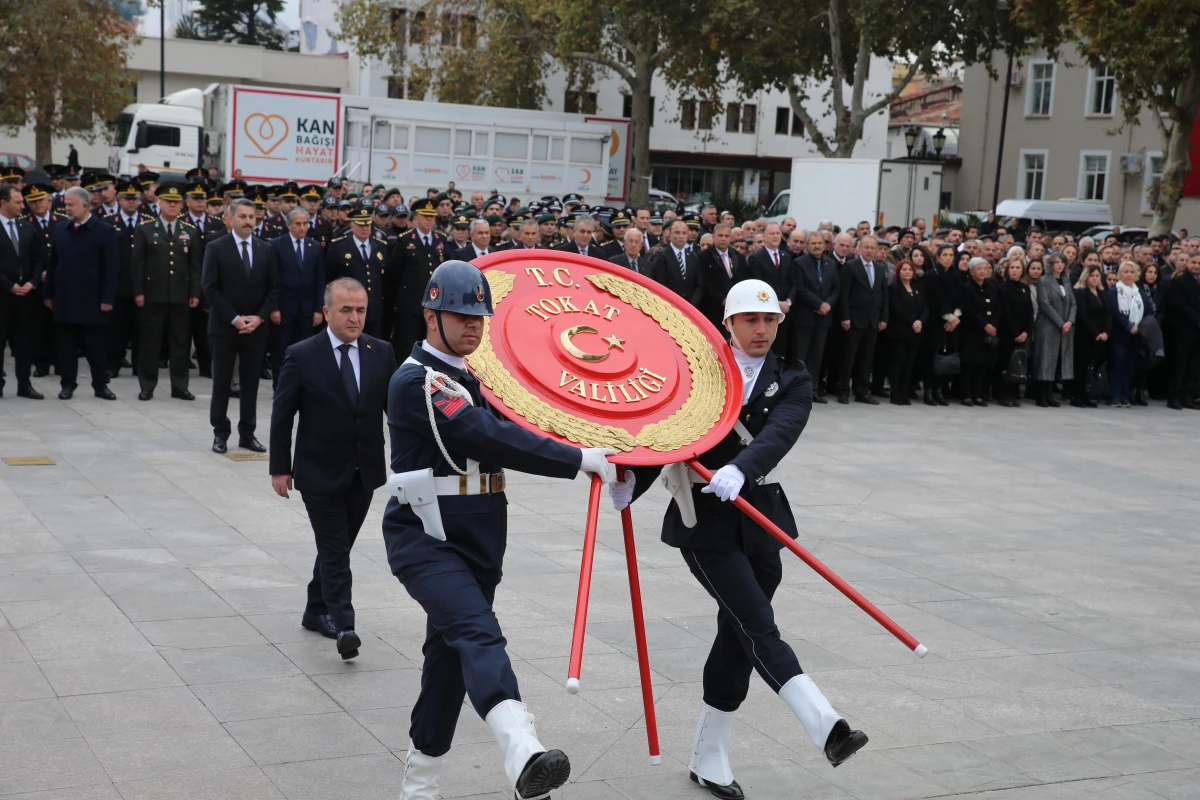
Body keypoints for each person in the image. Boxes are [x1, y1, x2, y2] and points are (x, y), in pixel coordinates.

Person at [609, 280, 867, 800]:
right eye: (750, 320)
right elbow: (667, 431)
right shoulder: (698, 371)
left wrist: (742, 468)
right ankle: (826, 725)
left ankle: (709, 755)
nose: (761, 330)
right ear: (727, 323)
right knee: (757, 623)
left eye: (769, 320)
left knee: (737, 638)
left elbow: (780, 434)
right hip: (705, 523)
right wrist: (629, 482)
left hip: (762, 521)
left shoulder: (791, 377)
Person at [384, 261, 614, 800]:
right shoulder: (416, 381)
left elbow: (524, 421)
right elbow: (483, 435)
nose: (473, 325)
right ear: (430, 315)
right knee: (479, 634)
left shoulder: (471, 378)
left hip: (480, 539)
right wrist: (576, 459)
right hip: (427, 539)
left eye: (479, 316)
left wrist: (602, 438)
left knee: (447, 660)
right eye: (460, 314)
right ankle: (523, 751)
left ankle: (418, 786)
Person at [270, 278, 397, 655]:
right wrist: (280, 467)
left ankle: (314, 609)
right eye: (346, 310)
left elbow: (397, 411)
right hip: (318, 471)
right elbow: (282, 415)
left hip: (365, 471)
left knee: (336, 547)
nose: (355, 317)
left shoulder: (381, 351)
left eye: (360, 310)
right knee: (336, 549)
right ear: (327, 312)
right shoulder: (302, 354)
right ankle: (344, 625)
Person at [202, 198, 279, 454]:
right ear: (230, 219)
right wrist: (235, 318)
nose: (248, 221)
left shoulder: (265, 249)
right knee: (222, 381)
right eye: (243, 217)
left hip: (256, 328)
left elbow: (273, 288)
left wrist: (259, 317)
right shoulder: (216, 247)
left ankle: (247, 433)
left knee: (250, 383)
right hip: (225, 327)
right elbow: (210, 288)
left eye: (252, 217)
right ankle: (220, 433)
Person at [43, 186, 119, 401]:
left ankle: (101, 385)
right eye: (65, 204)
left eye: (70, 205)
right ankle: (67, 384)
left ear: (85, 206)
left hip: (93, 300)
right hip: (65, 298)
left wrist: (107, 298)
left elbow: (112, 268)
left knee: (95, 347)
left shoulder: (104, 231)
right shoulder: (60, 230)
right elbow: (53, 263)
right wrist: (49, 293)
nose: (66, 208)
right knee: (66, 347)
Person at [130, 181, 201, 402]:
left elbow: (195, 265)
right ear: (159, 203)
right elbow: (138, 264)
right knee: (150, 342)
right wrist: (139, 292)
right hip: (153, 295)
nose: (172, 206)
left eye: (176, 202)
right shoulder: (146, 228)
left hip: (180, 295)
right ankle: (147, 385)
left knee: (180, 343)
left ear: (182, 205)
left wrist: (195, 293)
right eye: (168, 202)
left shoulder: (189, 230)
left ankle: (179, 386)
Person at [268, 208, 325, 389]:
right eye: (298, 224)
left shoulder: (314, 247)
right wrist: (274, 307)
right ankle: (279, 385)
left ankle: (302, 385)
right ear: (288, 225)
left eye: (305, 223)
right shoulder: (276, 245)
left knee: (305, 349)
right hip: (284, 307)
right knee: (281, 348)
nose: (302, 228)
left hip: (307, 308)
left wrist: (318, 309)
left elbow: (320, 280)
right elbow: (273, 279)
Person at [390, 197, 448, 358]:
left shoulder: (441, 240)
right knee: (407, 345)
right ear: (416, 218)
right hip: (410, 304)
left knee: (432, 346)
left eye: (432, 217)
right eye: (425, 216)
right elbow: (394, 274)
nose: (429, 220)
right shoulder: (406, 240)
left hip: (434, 304)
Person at [0, 184, 44, 399]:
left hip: (25, 297)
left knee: (24, 342)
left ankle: (24, 384)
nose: (22, 206)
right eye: (18, 202)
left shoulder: (27, 227)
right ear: (3, 203)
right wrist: (8, 285)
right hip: (2, 295)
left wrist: (33, 282)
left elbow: (38, 260)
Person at [836, 236, 888, 404]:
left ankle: (862, 391)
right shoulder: (851, 267)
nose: (869, 250)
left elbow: (883, 296)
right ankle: (843, 390)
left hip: (873, 321)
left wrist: (883, 318)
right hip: (854, 320)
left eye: (872, 247)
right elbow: (844, 295)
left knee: (867, 358)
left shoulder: (880, 269)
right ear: (858, 248)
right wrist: (845, 316)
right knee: (848, 357)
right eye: (866, 247)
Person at [327, 205, 389, 338]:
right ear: (352, 226)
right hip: (348, 308)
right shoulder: (339, 247)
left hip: (373, 308)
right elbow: (330, 278)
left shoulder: (381, 246)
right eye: (361, 225)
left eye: (368, 224)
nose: (365, 228)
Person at [792, 231, 840, 400]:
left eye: (820, 243)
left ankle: (813, 390)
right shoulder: (799, 263)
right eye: (813, 243)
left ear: (825, 245)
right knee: (801, 356)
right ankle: (799, 391)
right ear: (807, 245)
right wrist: (818, 304)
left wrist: (827, 304)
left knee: (817, 356)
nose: (817, 246)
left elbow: (836, 288)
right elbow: (800, 287)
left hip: (824, 318)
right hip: (805, 316)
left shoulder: (831, 264)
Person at [957, 257, 1002, 406]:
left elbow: (998, 309)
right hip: (972, 331)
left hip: (989, 331)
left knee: (983, 364)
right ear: (971, 271)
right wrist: (984, 325)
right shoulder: (967, 288)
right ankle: (966, 394)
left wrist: (993, 324)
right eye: (979, 268)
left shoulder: (992, 287)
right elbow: (969, 311)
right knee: (970, 364)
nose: (982, 271)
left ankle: (978, 394)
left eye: (985, 268)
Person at [745, 222, 793, 360]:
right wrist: (776, 303)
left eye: (778, 233)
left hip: (786, 311)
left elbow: (793, 283)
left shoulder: (786, 256)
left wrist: (788, 302)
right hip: (766, 310)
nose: (776, 236)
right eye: (772, 233)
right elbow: (758, 284)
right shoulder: (756, 258)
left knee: (783, 350)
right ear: (764, 237)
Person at [1033, 254, 1076, 408]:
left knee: (1056, 361)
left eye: (1062, 262)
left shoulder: (1066, 280)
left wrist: (1070, 321)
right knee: (1045, 360)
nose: (1059, 265)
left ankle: (1050, 394)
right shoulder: (1044, 281)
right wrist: (1060, 322)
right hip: (1048, 326)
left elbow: (1073, 303)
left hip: (1065, 327)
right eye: (1056, 262)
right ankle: (1041, 396)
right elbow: (1045, 305)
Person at [920, 244, 960, 406]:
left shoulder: (957, 275)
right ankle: (929, 391)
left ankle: (940, 391)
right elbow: (934, 299)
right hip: (935, 322)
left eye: (951, 255)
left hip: (953, 323)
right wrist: (949, 317)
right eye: (945, 255)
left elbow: (960, 297)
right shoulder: (931, 275)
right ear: (938, 257)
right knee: (931, 358)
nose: (948, 258)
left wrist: (956, 316)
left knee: (946, 357)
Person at [1106, 262, 1148, 408]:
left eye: (1131, 272)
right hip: (1119, 335)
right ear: (1120, 274)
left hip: (1136, 335)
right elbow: (1114, 311)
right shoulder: (1114, 291)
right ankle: (1114, 396)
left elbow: (1147, 310)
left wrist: (1139, 326)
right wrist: (1128, 325)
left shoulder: (1139, 292)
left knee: (1129, 367)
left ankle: (1125, 395)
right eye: (1125, 272)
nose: (1129, 274)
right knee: (1117, 365)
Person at [886, 260, 926, 405]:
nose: (907, 272)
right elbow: (897, 308)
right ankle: (895, 394)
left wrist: (921, 321)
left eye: (910, 269)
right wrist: (912, 322)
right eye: (904, 269)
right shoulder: (894, 288)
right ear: (898, 272)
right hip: (899, 331)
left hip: (915, 332)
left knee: (909, 364)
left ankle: (905, 392)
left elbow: (924, 307)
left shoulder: (918, 288)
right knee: (898, 363)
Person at [1071, 265, 1111, 408]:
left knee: (1092, 366)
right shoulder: (1081, 292)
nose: (1094, 278)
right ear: (1086, 276)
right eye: (1092, 275)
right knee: (1081, 366)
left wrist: (1106, 332)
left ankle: (1088, 394)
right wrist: (1096, 333)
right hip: (1085, 336)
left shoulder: (1101, 293)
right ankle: (1077, 395)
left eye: (1097, 276)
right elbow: (1083, 315)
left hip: (1101, 337)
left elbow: (1108, 314)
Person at [1164, 251, 1200, 409]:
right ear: (1188, 263)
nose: (1196, 266)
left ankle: (1188, 396)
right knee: (1180, 365)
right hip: (1183, 330)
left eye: (1199, 263)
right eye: (1194, 263)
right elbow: (1180, 305)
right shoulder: (1179, 281)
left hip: (1197, 333)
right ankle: (1174, 397)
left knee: (1195, 365)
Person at [995, 258, 1033, 407]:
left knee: (1018, 363)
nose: (1015, 270)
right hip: (1007, 332)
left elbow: (1030, 312)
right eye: (1012, 268)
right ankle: (1002, 394)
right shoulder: (1003, 288)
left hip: (1022, 333)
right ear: (1007, 270)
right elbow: (1006, 312)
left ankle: (1014, 392)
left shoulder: (1025, 288)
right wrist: (1016, 332)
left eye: (1018, 268)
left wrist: (1026, 331)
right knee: (1005, 363)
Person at [697, 223, 746, 333]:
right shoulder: (703, 257)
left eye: (726, 236)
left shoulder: (738, 257)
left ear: (731, 238)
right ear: (713, 237)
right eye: (720, 236)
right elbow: (705, 282)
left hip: (736, 308)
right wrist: (721, 299)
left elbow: (743, 279)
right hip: (713, 309)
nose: (723, 239)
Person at [651, 218, 704, 310]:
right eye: (677, 233)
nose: (681, 236)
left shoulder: (693, 256)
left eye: (684, 233)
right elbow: (660, 284)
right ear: (670, 234)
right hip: (670, 307)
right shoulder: (661, 256)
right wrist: (675, 304)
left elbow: (699, 285)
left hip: (691, 309)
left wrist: (692, 305)